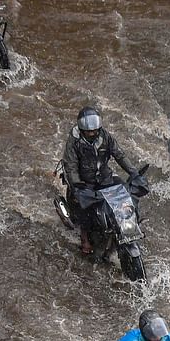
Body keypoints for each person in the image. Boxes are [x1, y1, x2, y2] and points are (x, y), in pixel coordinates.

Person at [61, 107, 138, 254]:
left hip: (104, 177)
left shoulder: (105, 137)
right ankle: (84, 238)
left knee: (124, 192)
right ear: (82, 129)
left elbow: (119, 155)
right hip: (84, 182)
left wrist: (134, 172)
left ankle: (129, 224)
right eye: (89, 131)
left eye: (95, 130)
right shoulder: (74, 142)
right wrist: (77, 185)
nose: (92, 133)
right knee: (84, 207)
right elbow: (70, 166)